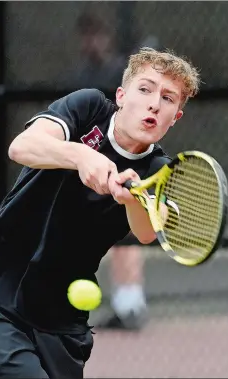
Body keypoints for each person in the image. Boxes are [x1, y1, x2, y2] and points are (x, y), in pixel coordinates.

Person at [0, 47, 200, 378]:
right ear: (122, 95)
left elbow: (145, 231)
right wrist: (82, 156)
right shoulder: (87, 109)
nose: (155, 103)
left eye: (169, 99)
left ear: (175, 117)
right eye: (145, 89)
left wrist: (131, 198)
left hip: (62, 326)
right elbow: (21, 147)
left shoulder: (157, 170)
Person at [74, 13, 149, 329]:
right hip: (92, 162)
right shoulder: (81, 75)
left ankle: (131, 304)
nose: (92, 42)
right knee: (94, 234)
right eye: (86, 36)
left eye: (97, 35)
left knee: (127, 231)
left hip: (126, 157)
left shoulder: (122, 72)